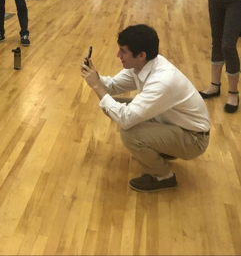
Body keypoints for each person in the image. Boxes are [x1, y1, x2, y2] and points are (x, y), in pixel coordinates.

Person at [81, 25, 210, 192]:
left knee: (130, 133)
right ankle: (162, 147)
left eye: (122, 51)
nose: (118, 55)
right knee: (110, 106)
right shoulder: (143, 64)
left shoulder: (162, 81)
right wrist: (95, 76)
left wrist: (97, 87)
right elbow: (113, 86)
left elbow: (125, 120)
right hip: (173, 124)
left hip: (194, 140)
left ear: (141, 55)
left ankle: (163, 177)